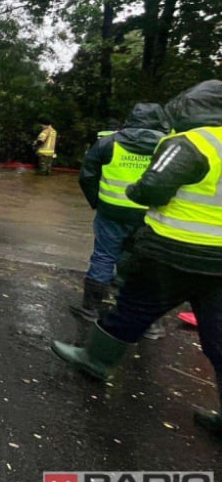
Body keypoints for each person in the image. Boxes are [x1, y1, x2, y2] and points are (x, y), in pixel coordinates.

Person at [52, 79, 222, 442]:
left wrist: (123, 195)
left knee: (131, 305)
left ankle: (95, 359)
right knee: (219, 335)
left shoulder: (193, 142)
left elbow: (152, 188)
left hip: (172, 250)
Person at [72, 103, 168, 321]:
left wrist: (97, 201)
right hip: (150, 214)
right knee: (141, 259)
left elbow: (87, 176)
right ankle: (135, 312)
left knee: (104, 256)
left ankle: (90, 308)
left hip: (111, 212)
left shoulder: (108, 143)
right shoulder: (168, 146)